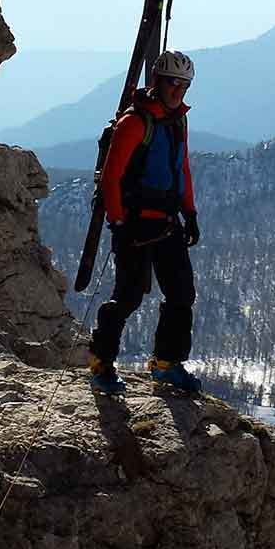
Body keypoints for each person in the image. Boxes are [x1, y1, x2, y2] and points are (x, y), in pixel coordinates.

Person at [88, 50, 202, 395]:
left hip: (167, 221)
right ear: (157, 81)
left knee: (181, 293)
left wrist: (190, 212)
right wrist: (119, 222)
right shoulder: (135, 122)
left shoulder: (176, 120)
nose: (178, 90)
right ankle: (101, 364)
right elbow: (111, 178)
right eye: (173, 83)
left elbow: (181, 168)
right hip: (135, 225)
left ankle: (167, 363)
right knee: (128, 297)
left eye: (184, 85)